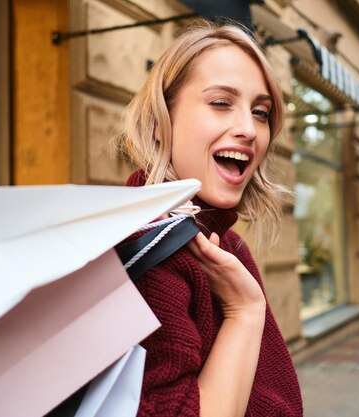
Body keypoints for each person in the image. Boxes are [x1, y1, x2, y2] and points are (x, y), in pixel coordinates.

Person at [115, 20, 303, 417]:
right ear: (161, 120)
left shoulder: (224, 244)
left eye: (261, 112)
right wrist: (244, 311)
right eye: (221, 103)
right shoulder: (149, 251)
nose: (249, 129)